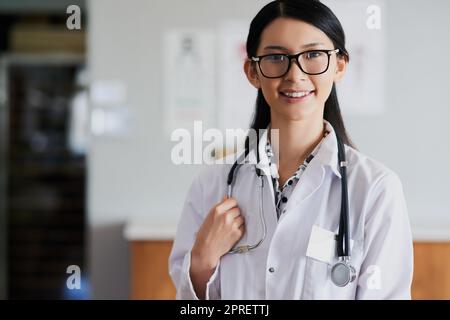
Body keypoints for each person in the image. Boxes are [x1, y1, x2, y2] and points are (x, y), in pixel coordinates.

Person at [169, 0, 413, 300]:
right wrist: (202, 261)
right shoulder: (212, 185)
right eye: (275, 57)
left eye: (313, 55)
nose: (295, 74)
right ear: (252, 71)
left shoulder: (375, 189)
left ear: (339, 65)